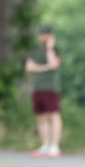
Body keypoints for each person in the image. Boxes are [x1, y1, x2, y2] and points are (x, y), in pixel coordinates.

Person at [25, 26, 62, 158]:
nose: (44, 37)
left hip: (51, 88)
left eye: (46, 34)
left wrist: (49, 49)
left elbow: (54, 64)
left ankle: (55, 146)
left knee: (54, 116)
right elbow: (29, 67)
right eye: (42, 34)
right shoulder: (34, 50)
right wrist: (45, 68)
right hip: (38, 88)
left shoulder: (55, 49)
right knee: (41, 117)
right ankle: (45, 145)